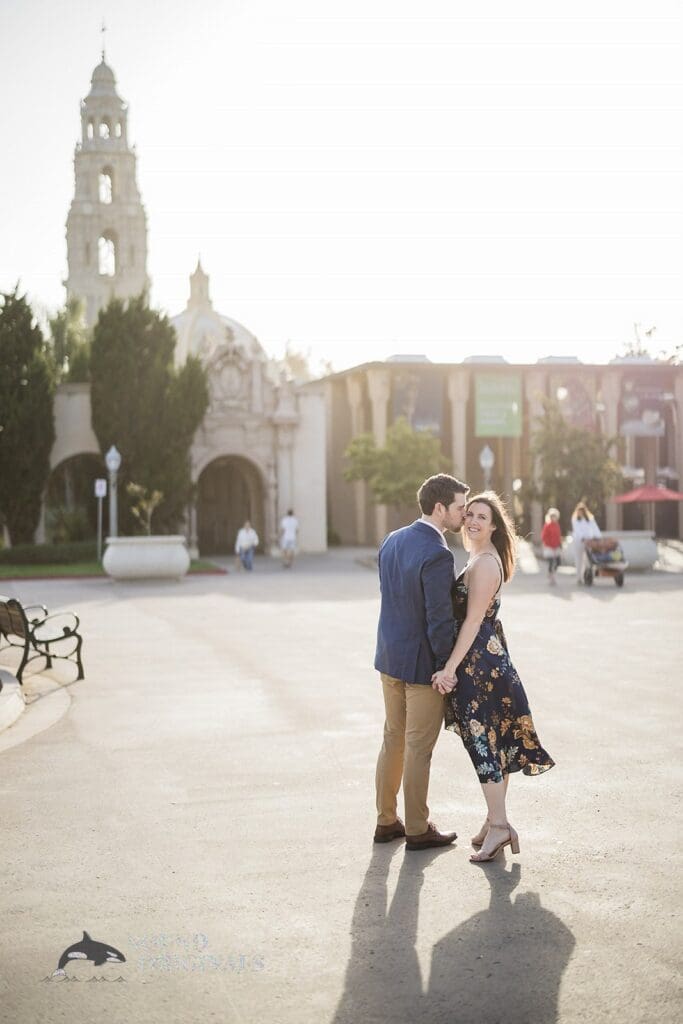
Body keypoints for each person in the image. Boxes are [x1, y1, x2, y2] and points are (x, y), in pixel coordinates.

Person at [432, 492, 555, 863]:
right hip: (485, 660)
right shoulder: (478, 557)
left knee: (484, 745)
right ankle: (493, 818)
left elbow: (472, 622)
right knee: (494, 742)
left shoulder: (485, 563)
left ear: (494, 525)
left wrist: (450, 668)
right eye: (469, 514)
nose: (472, 521)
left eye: (481, 516)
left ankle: (500, 826)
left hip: (479, 666)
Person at [374, 473, 469, 851]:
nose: (463, 515)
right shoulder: (437, 553)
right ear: (440, 507)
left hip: (388, 657)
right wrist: (447, 668)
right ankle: (416, 828)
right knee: (417, 747)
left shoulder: (392, 540)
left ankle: (386, 820)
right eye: (460, 507)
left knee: (392, 739)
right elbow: (438, 617)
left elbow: (391, 598)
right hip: (421, 667)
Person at [571, 501, 601, 584]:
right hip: (579, 542)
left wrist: (597, 537)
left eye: (582, 511)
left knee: (589, 560)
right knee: (579, 560)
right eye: (579, 511)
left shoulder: (590, 519)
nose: (580, 513)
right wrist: (583, 538)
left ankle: (588, 577)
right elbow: (577, 531)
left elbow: (595, 529)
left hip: (589, 542)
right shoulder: (575, 520)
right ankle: (579, 578)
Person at [541, 507, 562, 585]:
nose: (554, 518)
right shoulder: (547, 525)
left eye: (555, 516)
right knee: (551, 562)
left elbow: (558, 535)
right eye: (552, 516)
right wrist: (549, 544)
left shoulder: (557, 525)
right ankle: (551, 576)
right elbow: (544, 536)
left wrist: (559, 544)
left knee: (558, 562)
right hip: (549, 547)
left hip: (556, 547)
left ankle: (552, 573)